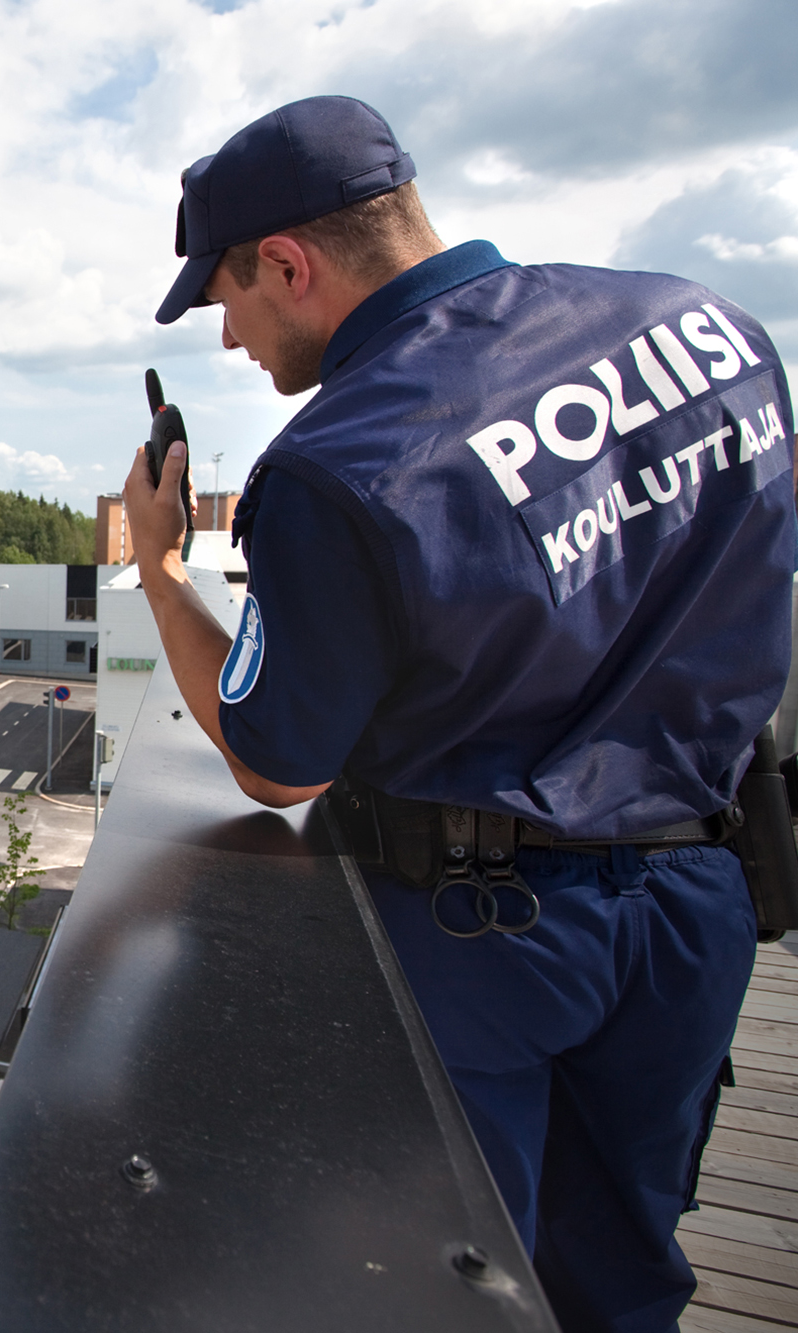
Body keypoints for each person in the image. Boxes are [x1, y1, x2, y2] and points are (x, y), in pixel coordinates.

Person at [124, 95, 795, 1333]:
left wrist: (166, 574)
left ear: (288, 263)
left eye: (225, 300)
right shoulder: (712, 329)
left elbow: (276, 762)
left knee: (454, 1289)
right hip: (699, 907)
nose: (229, 343)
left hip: (486, 938)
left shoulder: (341, 464)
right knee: (626, 1275)